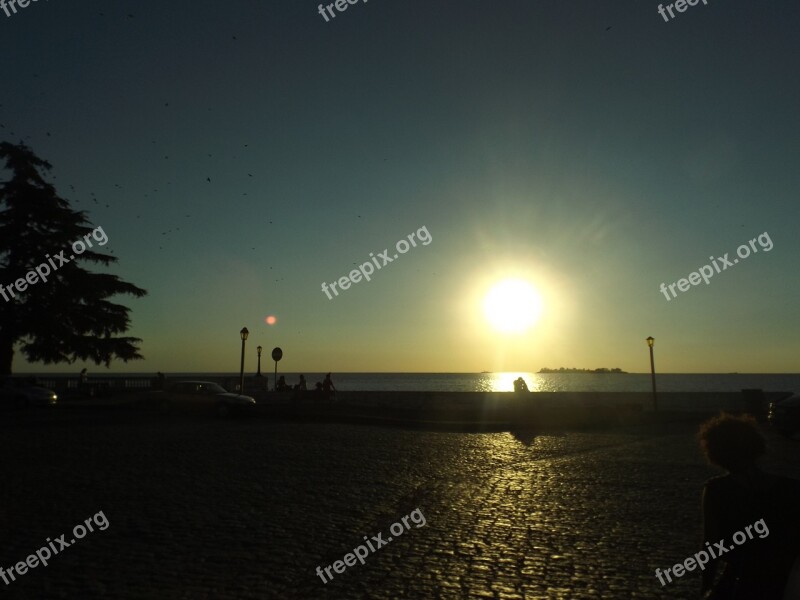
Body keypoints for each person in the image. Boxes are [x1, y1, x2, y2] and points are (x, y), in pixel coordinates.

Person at [697, 413, 800, 599]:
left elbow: (711, 545)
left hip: (740, 581)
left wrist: (707, 585)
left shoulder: (717, 490)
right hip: (781, 582)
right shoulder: (791, 488)